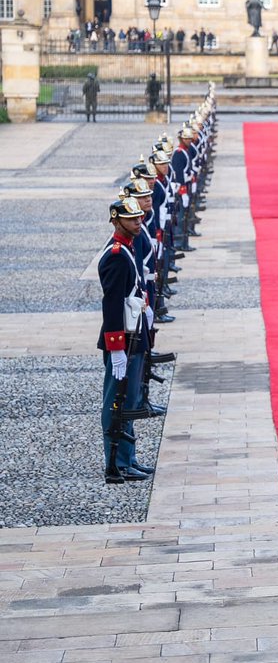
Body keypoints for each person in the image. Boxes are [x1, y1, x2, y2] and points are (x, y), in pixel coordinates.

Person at [98, 196, 153, 484]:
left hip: (134, 335)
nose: (138, 221)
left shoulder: (127, 249)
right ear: (116, 220)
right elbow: (111, 305)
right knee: (115, 402)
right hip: (124, 340)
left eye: (138, 217)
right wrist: (116, 347)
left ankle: (128, 458)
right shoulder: (117, 256)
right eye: (132, 218)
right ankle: (116, 462)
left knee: (129, 400)